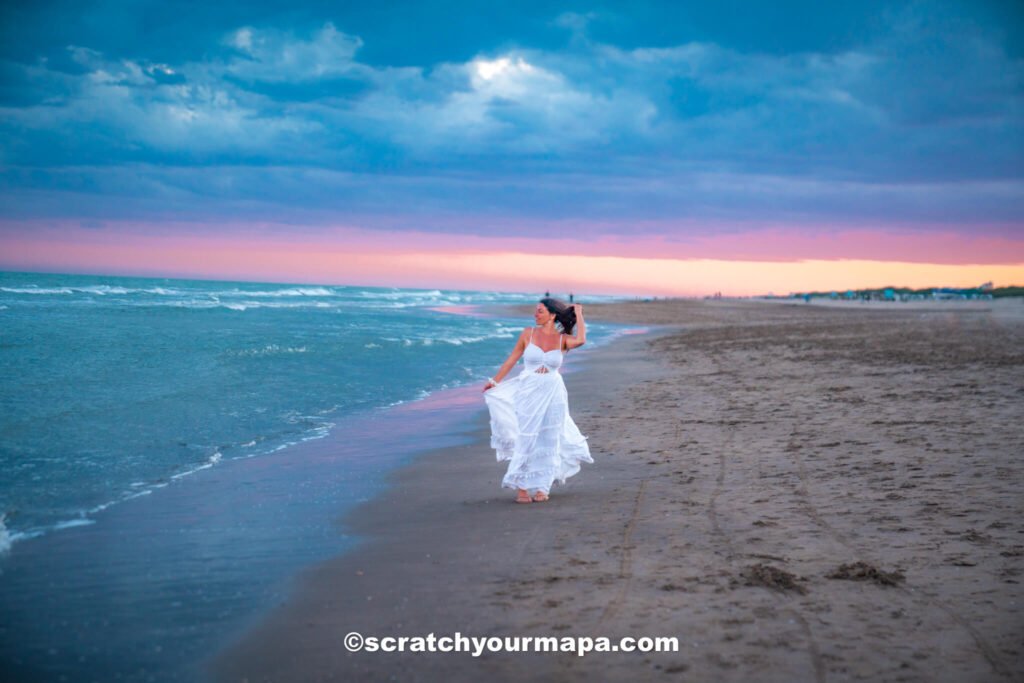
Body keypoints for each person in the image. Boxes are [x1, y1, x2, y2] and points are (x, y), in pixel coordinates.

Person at [482, 298, 591, 503]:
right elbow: (512, 358)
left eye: (540, 311)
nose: (535, 314)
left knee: (550, 437)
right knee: (527, 437)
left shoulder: (563, 339)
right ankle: (522, 488)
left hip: (553, 392)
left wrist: (579, 314)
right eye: (536, 311)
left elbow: (581, 340)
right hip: (529, 391)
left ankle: (543, 486)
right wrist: (494, 382)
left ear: (552, 315)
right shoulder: (528, 334)